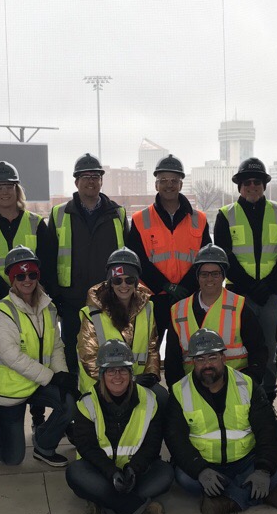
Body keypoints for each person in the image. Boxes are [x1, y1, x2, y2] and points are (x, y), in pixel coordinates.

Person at [166, 329, 277, 514]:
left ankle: (225, 501)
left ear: (223, 358)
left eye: (212, 357)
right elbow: (176, 439)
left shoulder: (246, 385)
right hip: (207, 465)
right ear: (192, 362)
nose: (207, 365)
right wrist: (200, 470)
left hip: (246, 461)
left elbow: (267, 429)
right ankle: (263, 493)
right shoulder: (179, 392)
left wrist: (263, 469)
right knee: (184, 478)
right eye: (200, 359)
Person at [0, 160, 50, 448]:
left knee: (36, 353)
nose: (4, 192)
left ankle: (37, 415)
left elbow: (48, 263)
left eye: (9, 187)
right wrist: (8, 288)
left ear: (18, 190)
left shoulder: (37, 223)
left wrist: (26, 290)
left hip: (32, 300)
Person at [0, 247, 75, 468]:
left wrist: (61, 376)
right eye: (20, 276)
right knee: (13, 457)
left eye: (32, 274)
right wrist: (52, 378)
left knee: (69, 402)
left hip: (35, 382)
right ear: (12, 279)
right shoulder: (2, 312)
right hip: (8, 389)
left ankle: (43, 444)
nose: (27, 280)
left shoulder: (48, 307)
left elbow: (55, 346)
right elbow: (12, 357)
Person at [213, 157, 277, 401]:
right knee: (238, 348)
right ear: (239, 185)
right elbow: (224, 256)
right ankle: (238, 396)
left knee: (269, 349)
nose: (253, 186)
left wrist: (269, 285)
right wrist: (251, 287)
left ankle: (267, 396)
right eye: (247, 182)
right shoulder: (225, 216)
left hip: (270, 295)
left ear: (264, 185)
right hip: (239, 295)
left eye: (257, 181)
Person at [66, 340, 174, 514]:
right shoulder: (86, 403)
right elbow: (87, 447)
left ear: (131, 373)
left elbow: (152, 445)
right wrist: (111, 472)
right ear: (102, 375)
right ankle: (137, 508)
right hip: (100, 471)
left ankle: (102, 501)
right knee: (75, 473)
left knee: (165, 474)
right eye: (111, 370)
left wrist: (133, 469)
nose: (117, 376)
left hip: (135, 473)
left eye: (123, 369)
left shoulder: (149, 400)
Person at [42, 152, 128, 374]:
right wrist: (56, 295)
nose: (91, 181)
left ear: (101, 180)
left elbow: (129, 258)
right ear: (76, 181)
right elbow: (49, 259)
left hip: (110, 298)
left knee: (110, 351)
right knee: (72, 352)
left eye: (95, 176)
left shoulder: (117, 214)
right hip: (72, 300)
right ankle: (74, 400)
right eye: (85, 176)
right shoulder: (60, 214)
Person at [125, 153, 210, 359]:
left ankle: (185, 390)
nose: (169, 185)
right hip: (153, 300)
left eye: (174, 180)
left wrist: (185, 288)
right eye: (163, 180)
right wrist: (166, 286)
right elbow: (137, 261)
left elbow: (204, 258)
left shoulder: (199, 219)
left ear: (181, 184)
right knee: (149, 353)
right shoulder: (140, 219)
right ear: (156, 185)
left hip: (189, 297)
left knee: (189, 351)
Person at [167, 243, 267, 387]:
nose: (210, 279)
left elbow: (258, 350)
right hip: (193, 387)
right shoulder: (178, 311)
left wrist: (251, 382)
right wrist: (178, 392)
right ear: (197, 276)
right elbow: (172, 360)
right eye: (204, 274)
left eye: (215, 274)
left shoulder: (239, 306)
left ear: (223, 276)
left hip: (235, 385)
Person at [76, 248, 163, 404]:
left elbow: (152, 347)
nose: (124, 285)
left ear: (136, 282)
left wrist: (152, 374)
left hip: (138, 383)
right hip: (102, 385)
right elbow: (88, 358)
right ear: (110, 282)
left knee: (162, 398)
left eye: (129, 280)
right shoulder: (91, 314)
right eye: (117, 280)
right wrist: (126, 381)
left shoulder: (148, 308)